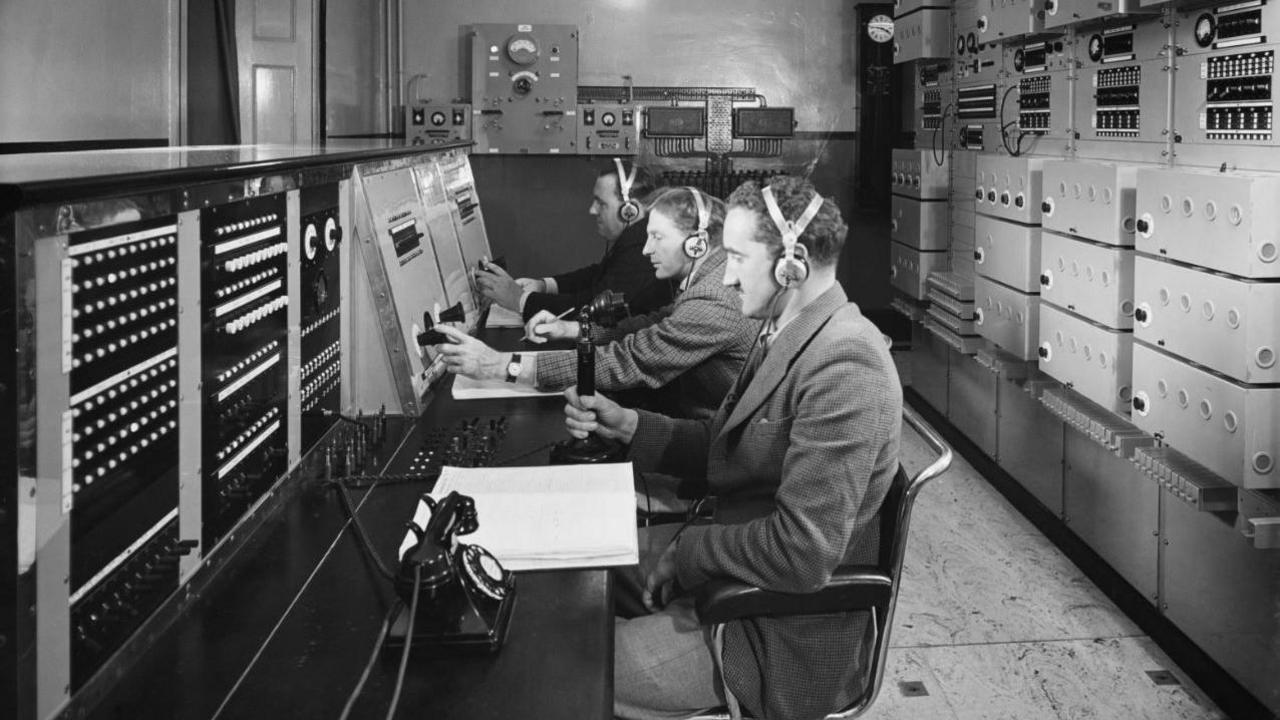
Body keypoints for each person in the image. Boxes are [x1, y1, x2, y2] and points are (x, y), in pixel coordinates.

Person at [562, 176, 903, 720]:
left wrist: (689, 552)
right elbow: (727, 447)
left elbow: (802, 553)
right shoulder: (783, 331)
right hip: (731, 562)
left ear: (790, 266)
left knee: (571, 670)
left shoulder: (846, 366)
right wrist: (628, 424)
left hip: (769, 630)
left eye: (739, 257)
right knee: (576, 572)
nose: (725, 273)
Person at [436, 186, 756, 421]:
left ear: (697, 243)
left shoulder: (715, 299)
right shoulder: (714, 276)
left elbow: (627, 362)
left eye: (657, 237)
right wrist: (573, 328)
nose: (645, 250)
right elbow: (655, 325)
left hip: (711, 446)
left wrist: (501, 366)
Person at [474, 158, 674, 322]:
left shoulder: (642, 249)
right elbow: (598, 275)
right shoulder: (638, 237)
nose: (592, 210)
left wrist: (519, 300)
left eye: (601, 203)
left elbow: (594, 307)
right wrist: (544, 285)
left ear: (630, 211)